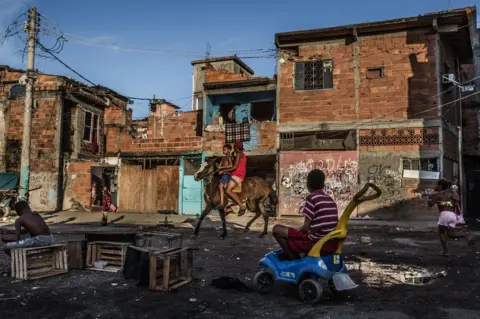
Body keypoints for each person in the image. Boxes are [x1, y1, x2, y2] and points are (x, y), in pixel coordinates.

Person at [272, 169, 339, 260]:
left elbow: (305, 228)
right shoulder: (330, 200)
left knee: (277, 229)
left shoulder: (312, 198)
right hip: (330, 244)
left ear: (308, 184)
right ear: (323, 184)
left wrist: (293, 233)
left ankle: (294, 260)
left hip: (315, 243)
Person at [428, 178, 473, 256]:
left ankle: (446, 251)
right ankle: (466, 236)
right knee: (450, 234)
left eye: (437, 184)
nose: (436, 186)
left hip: (444, 215)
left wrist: (429, 197)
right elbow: (458, 199)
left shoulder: (439, 195)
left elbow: (430, 204)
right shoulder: (450, 194)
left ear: (440, 186)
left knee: (441, 233)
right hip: (452, 215)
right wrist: (454, 191)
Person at [218, 141, 247, 215]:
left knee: (228, 190)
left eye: (234, 148)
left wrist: (223, 170)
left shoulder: (238, 154)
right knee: (225, 188)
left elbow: (234, 167)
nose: (234, 149)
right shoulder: (243, 154)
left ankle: (241, 206)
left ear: (237, 148)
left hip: (237, 175)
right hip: (240, 175)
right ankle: (232, 207)